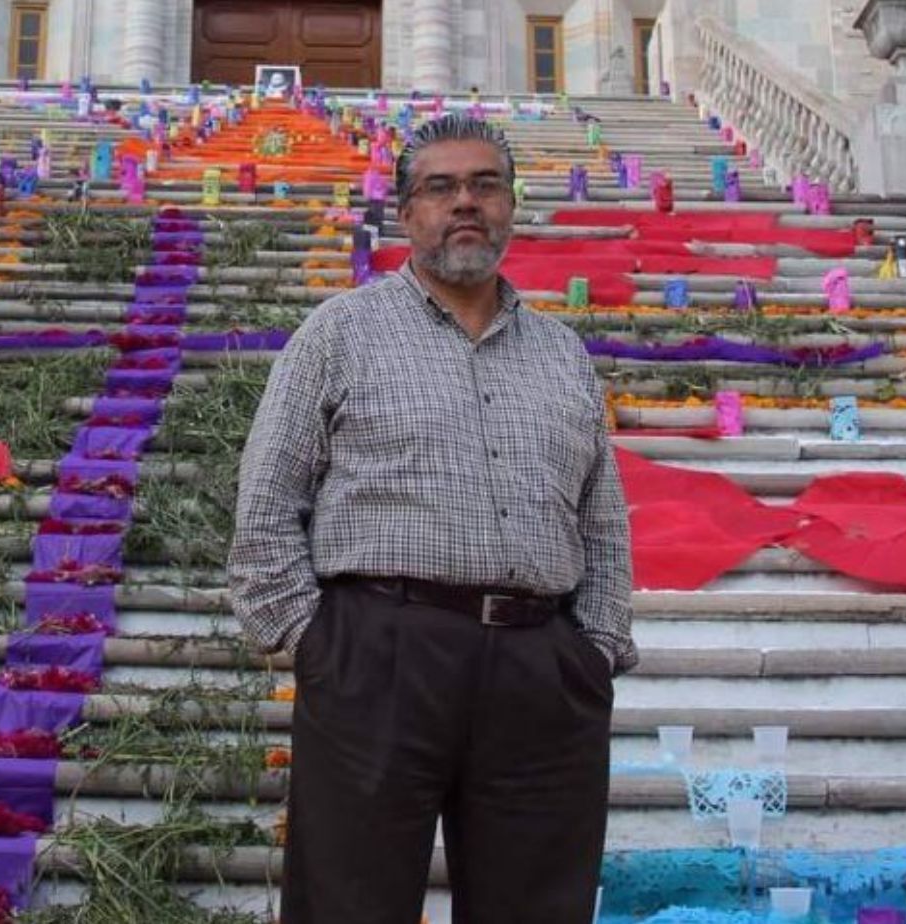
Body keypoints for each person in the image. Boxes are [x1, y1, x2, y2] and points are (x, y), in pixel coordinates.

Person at [229, 113, 635, 923]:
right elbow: (268, 504)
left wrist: (589, 652)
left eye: (485, 185)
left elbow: (602, 522)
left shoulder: (561, 354)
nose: (465, 204)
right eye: (440, 188)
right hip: (378, 657)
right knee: (352, 905)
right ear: (406, 213)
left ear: (511, 206)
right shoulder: (339, 334)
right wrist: (317, 646)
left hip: (541, 671)